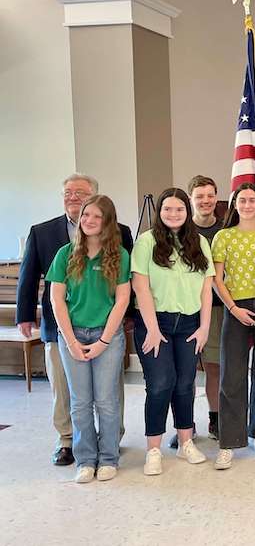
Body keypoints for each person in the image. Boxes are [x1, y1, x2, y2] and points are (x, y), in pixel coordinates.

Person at [15, 173, 133, 467]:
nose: (73, 198)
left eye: (80, 193)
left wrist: (121, 323)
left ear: (95, 197)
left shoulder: (120, 232)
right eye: (67, 192)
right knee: (66, 390)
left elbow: (124, 284)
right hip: (60, 327)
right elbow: (28, 277)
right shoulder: (43, 233)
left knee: (108, 392)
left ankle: (110, 442)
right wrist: (25, 315)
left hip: (106, 326)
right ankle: (68, 442)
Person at [46, 195, 131, 483]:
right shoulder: (65, 254)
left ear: (107, 221)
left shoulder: (119, 255)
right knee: (80, 402)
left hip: (107, 336)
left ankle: (108, 458)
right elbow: (56, 300)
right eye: (85, 216)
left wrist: (104, 341)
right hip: (73, 335)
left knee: (106, 401)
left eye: (96, 216)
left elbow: (122, 300)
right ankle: (85, 459)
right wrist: (70, 341)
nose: (89, 221)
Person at [131, 188, 214, 475]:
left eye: (179, 209)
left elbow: (206, 288)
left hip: (190, 324)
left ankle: (185, 442)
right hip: (157, 324)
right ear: (160, 211)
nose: (174, 214)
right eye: (168, 209)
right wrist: (152, 329)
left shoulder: (199, 242)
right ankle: (153, 449)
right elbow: (140, 287)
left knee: (185, 384)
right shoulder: (147, 241)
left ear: (187, 211)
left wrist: (205, 327)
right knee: (160, 384)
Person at [210, 183, 255, 470]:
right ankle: (229, 441)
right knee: (232, 376)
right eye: (242, 200)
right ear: (234, 204)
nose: (248, 205)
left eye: (253, 200)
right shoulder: (223, 237)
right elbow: (216, 278)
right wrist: (234, 308)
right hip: (234, 307)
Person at [187, 175, 225, 444]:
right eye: (199, 196)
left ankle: (216, 418)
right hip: (185, 310)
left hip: (218, 309)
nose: (205, 201)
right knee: (184, 372)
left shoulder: (225, 231)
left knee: (214, 368)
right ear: (191, 199)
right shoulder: (180, 229)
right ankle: (184, 425)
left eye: (210, 195)